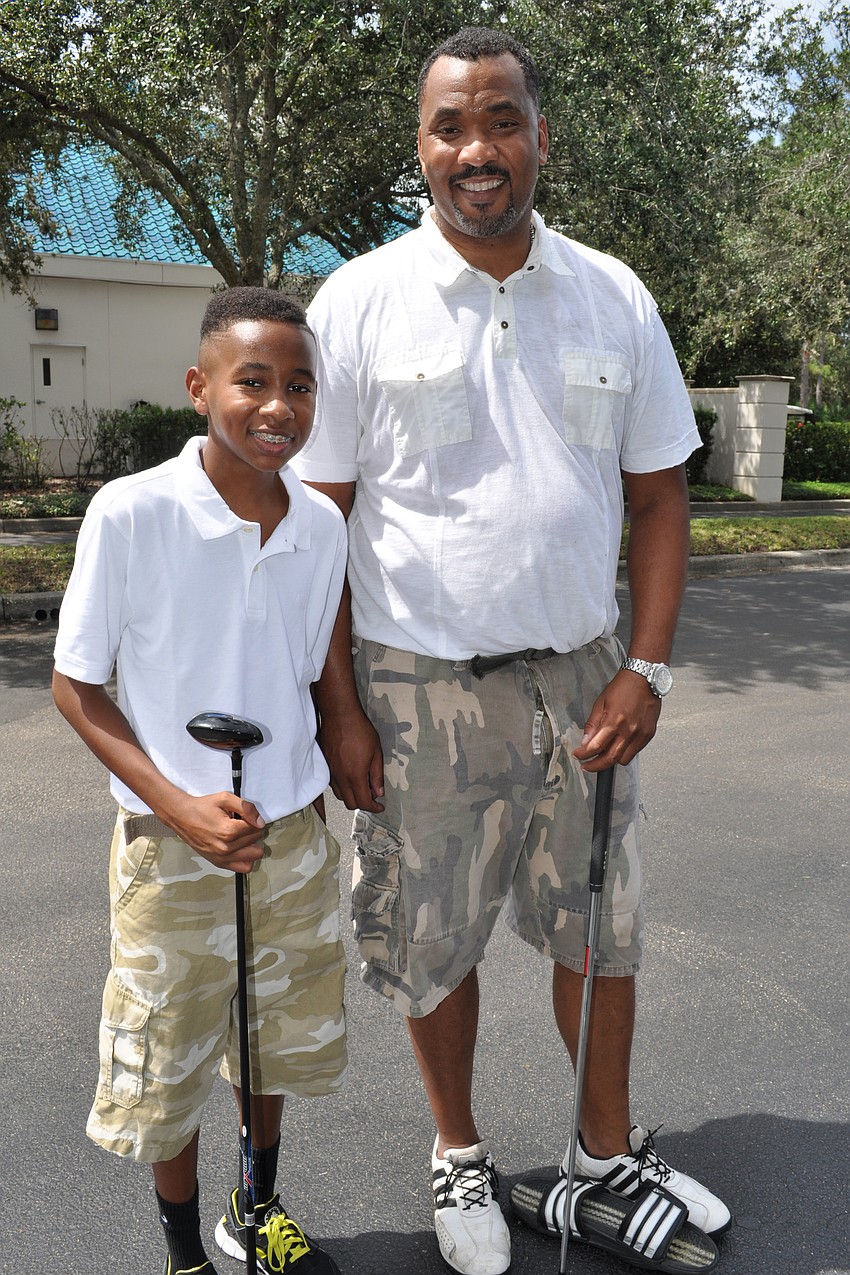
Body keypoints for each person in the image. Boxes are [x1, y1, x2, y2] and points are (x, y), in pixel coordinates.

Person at [292, 25, 731, 1275]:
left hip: (584, 677)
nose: (476, 149)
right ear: (420, 147)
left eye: (499, 121)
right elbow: (318, 526)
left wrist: (644, 668)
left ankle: (601, 1157)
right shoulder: (358, 301)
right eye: (450, 127)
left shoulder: (612, 293)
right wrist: (339, 709)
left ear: (541, 136)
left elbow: (658, 494)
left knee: (601, 927)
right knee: (432, 942)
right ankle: (459, 1153)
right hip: (415, 686)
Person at [53, 288, 347, 1275]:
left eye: (299, 386)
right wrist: (176, 806)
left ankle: (254, 1209)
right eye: (252, 381)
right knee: (166, 1060)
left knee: (270, 1043)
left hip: (288, 837)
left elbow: (308, 670)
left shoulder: (321, 524)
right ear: (199, 387)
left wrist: (322, 775)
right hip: (171, 843)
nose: (277, 406)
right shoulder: (132, 512)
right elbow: (76, 685)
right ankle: (182, 1249)